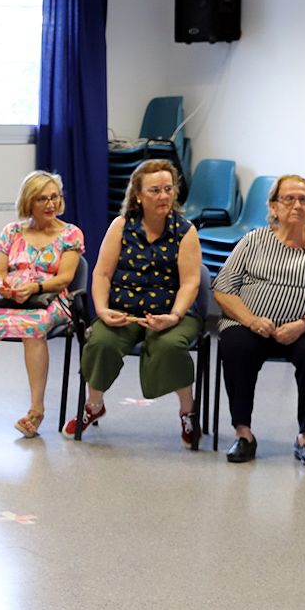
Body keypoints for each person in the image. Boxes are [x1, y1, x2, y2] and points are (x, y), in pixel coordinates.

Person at [212, 175, 305, 467]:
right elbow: (223, 288)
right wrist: (251, 320)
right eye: (289, 198)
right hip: (253, 324)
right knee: (235, 344)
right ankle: (243, 434)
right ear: (273, 206)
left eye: (303, 199)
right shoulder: (253, 241)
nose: (297, 205)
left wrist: (302, 324)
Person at [65, 159, 205, 448]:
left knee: (170, 345)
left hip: (172, 312)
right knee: (101, 342)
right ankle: (94, 405)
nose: (164, 196)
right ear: (138, 195)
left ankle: (187, 411)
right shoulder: (121, 226)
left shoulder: (185, 230)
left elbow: (191, 281)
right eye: (155, 190)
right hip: (124, 311)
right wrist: (102, 310)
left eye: (168, 189)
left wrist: (175, 315)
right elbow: (102, 274)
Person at [0, 171, 84, 438]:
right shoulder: (12, 231)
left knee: (33, 329)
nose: (51, 204)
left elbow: (65, 277)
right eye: (42, 199)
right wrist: (1, 284)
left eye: (54, 197)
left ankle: (36, 411)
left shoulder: (71, 234)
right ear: (29, 202)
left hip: (48, 298)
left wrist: (35, 287)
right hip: (10, 298)